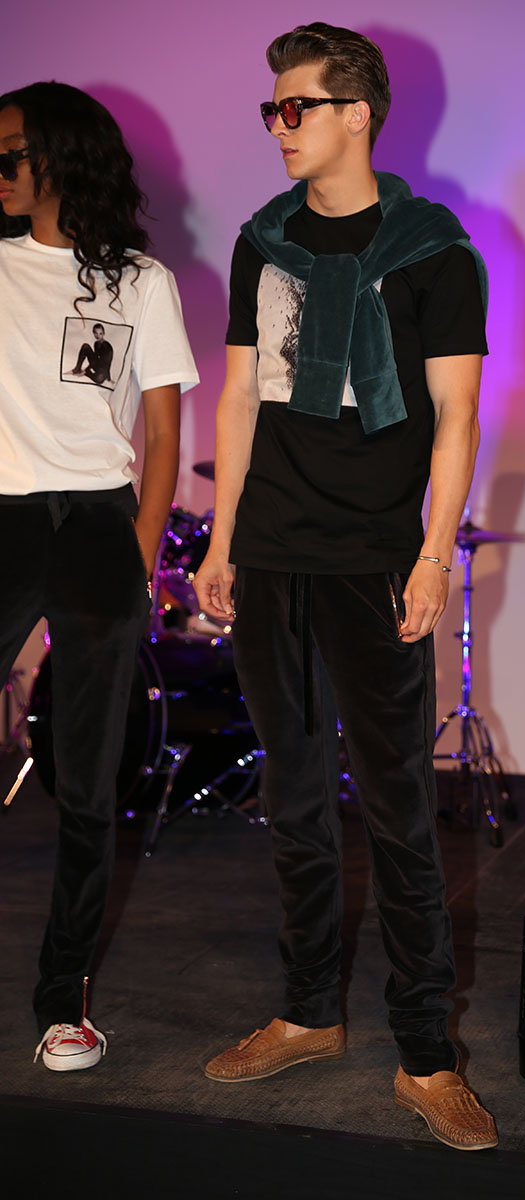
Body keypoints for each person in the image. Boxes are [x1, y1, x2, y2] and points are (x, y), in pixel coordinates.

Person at [194, 23, 497, 1150]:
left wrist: (432, 555)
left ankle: (427, 1055)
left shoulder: (435, 254)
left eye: (297, 107)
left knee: (401, 815)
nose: (279, 126)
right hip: (273, 554)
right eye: (271, 109)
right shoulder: (260, 244)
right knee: (293, 804)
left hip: (375, 561)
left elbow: (457, 419)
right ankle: (308, 1013)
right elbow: (237, 399)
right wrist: (220, 544)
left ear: (356, 115)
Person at [0, 82, 198, 1069]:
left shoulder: (140, 283)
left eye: (10, 153)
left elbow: (162, 432)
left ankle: (63, 1000)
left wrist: (138, 548)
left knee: (86, 779)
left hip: (96, 525)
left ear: (62, 158)